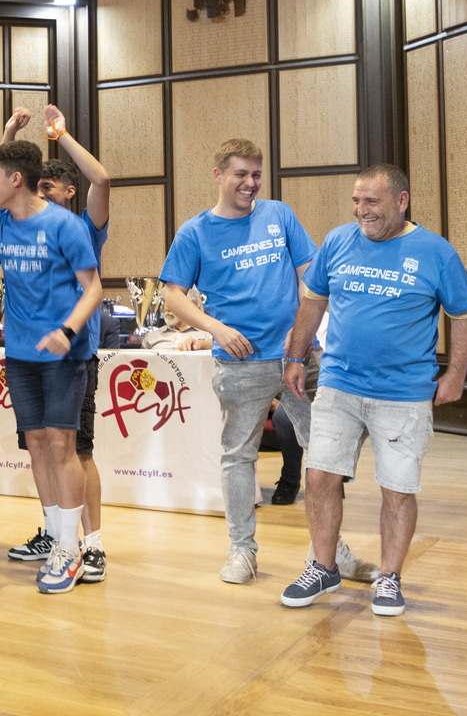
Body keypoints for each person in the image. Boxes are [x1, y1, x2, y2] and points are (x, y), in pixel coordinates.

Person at [159, 138, 373, 585]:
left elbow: (309, 279)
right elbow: (172, 294)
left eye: (256, 174)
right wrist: (214, 329)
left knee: (326, 455)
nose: (251, 183)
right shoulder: (195, 232)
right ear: (218, 175)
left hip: (297, 355)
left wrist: (302, 340)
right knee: (238, 456)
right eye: (241, 174)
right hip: (240, 364)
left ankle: (331, 553)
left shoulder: (280, 214)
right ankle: (242, 551)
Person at [280, 164, 467, 617]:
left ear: (401, 201)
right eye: (356, 201)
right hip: (339, 382)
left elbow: (464, 317)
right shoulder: (338, 241)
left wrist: (456, 375)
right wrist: (295, 355)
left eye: (371, 202)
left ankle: (389, 577)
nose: (361, 211)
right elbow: (313, 301)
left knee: (397, 487)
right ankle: (323, 566)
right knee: (320, 476)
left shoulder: (435, 252)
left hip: (404, 391)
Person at [0, 140, 103, 594]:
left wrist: (66, 331)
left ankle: (72, 549)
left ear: (15, 179)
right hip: (21, 355)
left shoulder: (66, 225)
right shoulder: (0, 222)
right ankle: (56, 535)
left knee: (62, 446)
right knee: (37, 444)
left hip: (63, 354)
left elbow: (94, 289)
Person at [3, 103, 113, 584]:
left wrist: (61, 134)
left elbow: (103, 180)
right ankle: (57, 534)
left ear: (70, 192)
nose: (39, 192)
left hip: (75, 352)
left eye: (48, 186)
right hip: (31, 352)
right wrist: (10, 133)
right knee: (41, 447)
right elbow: (7, 182)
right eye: (36, 184)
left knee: (77, 451)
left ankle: (93, 545)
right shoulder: (20, 223)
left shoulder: (83, 225)